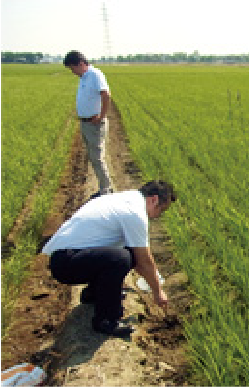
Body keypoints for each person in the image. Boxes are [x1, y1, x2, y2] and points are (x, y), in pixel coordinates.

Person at [42, 180, 176, 337]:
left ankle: (94, 294)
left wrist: (154, 283)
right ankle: (106, 320)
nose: (158, 216)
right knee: (121, 258)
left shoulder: (123, 199)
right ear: (154, 200)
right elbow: (144, 261)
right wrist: (158, 292)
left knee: (127, 254)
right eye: (161, 210)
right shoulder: (135, 213)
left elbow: (139, 260)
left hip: (69, 257)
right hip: (66, 263)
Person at [63, 50, 113, 199]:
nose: (72, 72)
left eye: (73, 68)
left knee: (97, 158)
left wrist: (102, 116)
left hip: (94, 124)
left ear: (81, 64)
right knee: (93, 158)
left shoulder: (95, 75)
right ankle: (104, 188)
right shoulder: (84, 77)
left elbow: (106, 95)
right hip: (86, 124)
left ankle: (107, 191)